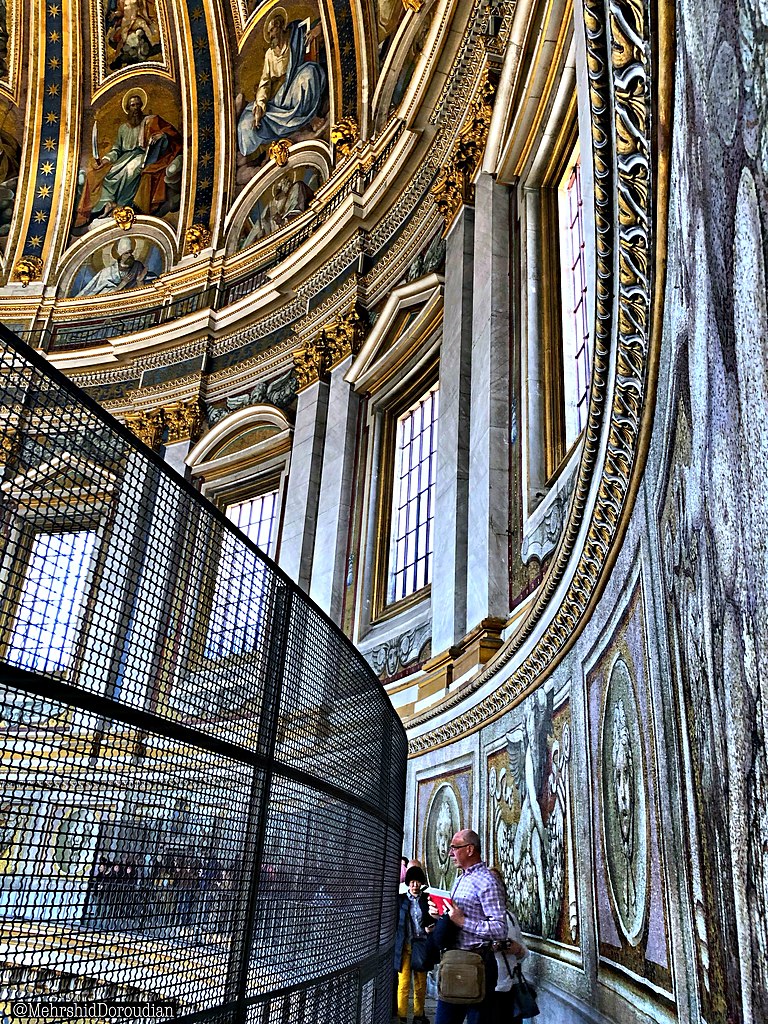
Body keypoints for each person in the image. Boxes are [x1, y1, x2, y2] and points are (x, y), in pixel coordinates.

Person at [428, 830, 507, 1024]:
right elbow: (456, 916)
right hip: (454, 961)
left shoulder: (487, 882)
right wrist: (441, 916)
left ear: (470, 849)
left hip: (477, 964)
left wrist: (462, 921)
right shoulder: (461, 879)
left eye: (454, 847)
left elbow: (500, 929)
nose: (450, 853)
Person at [75, 90, 182, 227]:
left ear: (142, 105)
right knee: (109, 174)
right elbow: (116, 150)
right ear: (127, 108)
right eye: (132, 105)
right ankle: (109, 204)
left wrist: (160, 135)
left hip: (142, 156)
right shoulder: (123, 129)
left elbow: (169, 133)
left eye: (138, 104)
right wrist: (106, 160)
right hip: (123, 158)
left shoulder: (149, 121)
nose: (136, 108)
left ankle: (123, 204)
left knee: (130, 171)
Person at [236, 11, 326, 157]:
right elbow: (265, 83)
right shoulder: (270, 55)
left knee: (309, 73)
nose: (271, 35)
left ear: (280, 27)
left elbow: (319, 23)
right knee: (247, 122)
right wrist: (260, 105)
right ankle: (253, 155)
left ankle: (310, 117)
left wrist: (318, 29)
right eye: (269, 32)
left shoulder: (296, 34)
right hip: (280, 96)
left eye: (273, 30)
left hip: (296, 83)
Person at [395, 865, 436, 1024]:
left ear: (421, 883)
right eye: (411, 882)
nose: (414, 885)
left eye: (417, 882)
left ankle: (419, 1015)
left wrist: (431, 926)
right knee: (403, 983)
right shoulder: (401, 900)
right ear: (407, 883)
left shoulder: (428, 899)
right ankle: (402, 1017)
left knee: (420, 985)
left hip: (422, 945)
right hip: (405, 946)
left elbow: (434, 917)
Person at [74, 237, 154, 296]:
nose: (130, 255)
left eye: (131, 252)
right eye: (126, 253)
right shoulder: (107, 273)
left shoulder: (137, 266)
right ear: (119, 255)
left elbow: (145, 292)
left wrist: (140, 281)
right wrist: (120, 286)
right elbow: (98, 296)